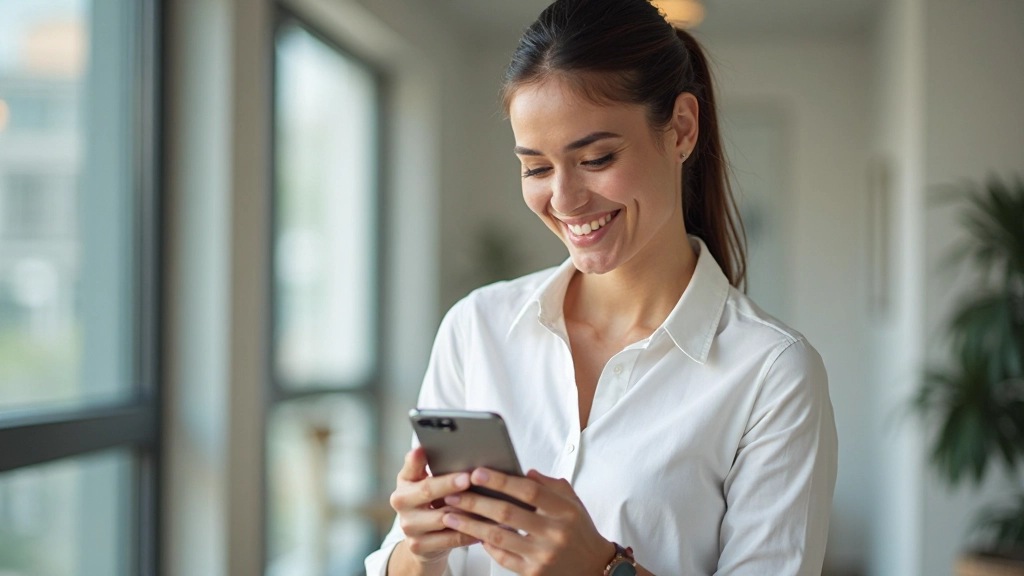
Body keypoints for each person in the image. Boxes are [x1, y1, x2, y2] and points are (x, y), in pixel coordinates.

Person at [365, 0, 838, 574]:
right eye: (536, 168)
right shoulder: (477, 327)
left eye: (596, 157)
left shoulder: (772, 374)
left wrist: (603, 568)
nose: (564, 201)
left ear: (682, 128)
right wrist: (418, 547)